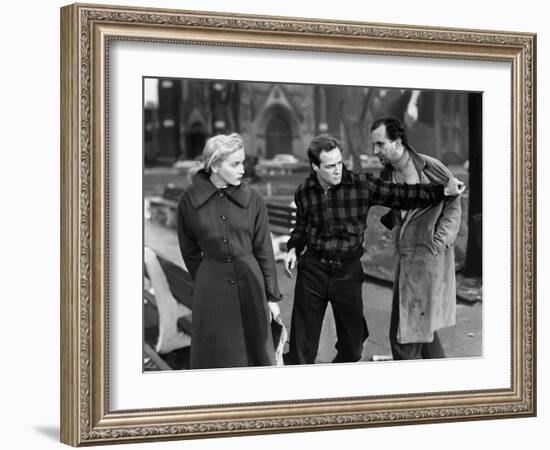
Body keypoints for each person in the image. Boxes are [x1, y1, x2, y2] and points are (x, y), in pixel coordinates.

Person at [283, 134, 465, 365]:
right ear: (315, 167)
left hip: (346, 272)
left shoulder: (361, 185)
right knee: (302, 351)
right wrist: (293, 248)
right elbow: (301, 226)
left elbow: (403, 195)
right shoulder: (303, 192)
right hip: (313, 272)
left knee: (353, 348)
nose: (338, 170)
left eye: (340, 163)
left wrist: (442, 192)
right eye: (330, 166)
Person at [176, 133, 283, 369]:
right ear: (214, 165)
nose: (242, 169)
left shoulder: (254, 199)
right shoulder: (189, 201)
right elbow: (189, 249)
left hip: (251, 285)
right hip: (211, 292)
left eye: (243, 162)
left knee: (256, 355)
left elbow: (264, 248)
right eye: (235, 164)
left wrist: (272, 296)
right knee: (217, 357)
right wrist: (207, 277)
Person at [371, 116, 461, 359]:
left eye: (380, 144)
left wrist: (440, 240)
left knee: (404, 336)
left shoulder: (431, 168)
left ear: (398, 142)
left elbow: (453, 203)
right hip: (405, 260)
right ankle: (446, 387)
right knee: (421, 330)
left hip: (429, 259)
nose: (375, 151)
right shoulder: (386, 178)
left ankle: (409, 390)